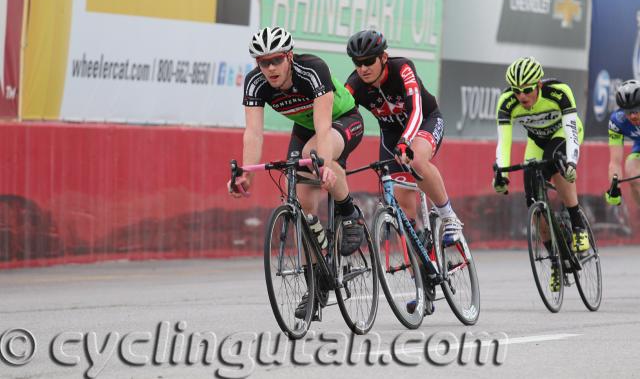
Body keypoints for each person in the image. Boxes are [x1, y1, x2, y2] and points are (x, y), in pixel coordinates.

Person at [227, 26, 366, 318]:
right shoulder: (255, 83)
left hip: (342, 120)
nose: (271, 68)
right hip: (304, 129)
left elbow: (323, 125)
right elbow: (253, 133)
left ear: (289, 57)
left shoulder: (313, 69)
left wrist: (325, 166)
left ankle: (349, 212)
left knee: (311, 157)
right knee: (303, 209)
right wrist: (246, 175)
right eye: (264, 62)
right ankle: (317, 285)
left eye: (276, 60)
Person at [345, 29, 464, 248]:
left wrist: (406, 141)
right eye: (357, 63)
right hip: (391, 135)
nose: (363, 68)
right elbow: (341, 116)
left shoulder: (403, 68)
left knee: (417, 159)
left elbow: (416, 110)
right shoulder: (354, 84)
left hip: (425, 120)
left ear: (383, 57)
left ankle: (448, 216)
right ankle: (422, 271)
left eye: (369, 61)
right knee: (404, 215)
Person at [493, 56, 589, 292]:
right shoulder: (507, 103)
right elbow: (503, 143)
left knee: (555, 164)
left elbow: (571, 130)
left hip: (565, 135)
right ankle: (555, 259)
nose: (521, 96)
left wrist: (572, 162)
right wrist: (500, 173)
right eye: (516, 91)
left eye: (526, 90)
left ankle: (578, 225)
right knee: (532, 202)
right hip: (536, 141)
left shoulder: (558, 92)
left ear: (538, 85)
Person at [605, 79, 640, 206]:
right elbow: (615, 162)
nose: (632, 116)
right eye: (628, 112)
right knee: (632, 172)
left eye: (636, 110)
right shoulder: (617, 121)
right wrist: (614, 188)